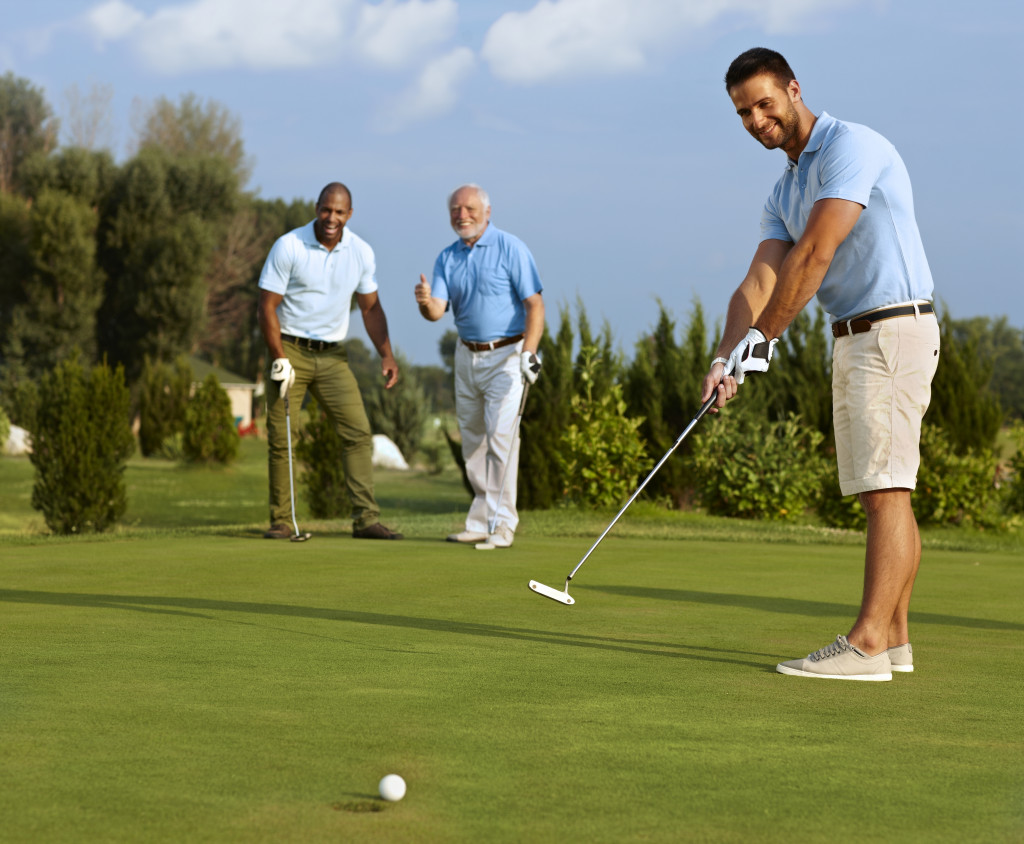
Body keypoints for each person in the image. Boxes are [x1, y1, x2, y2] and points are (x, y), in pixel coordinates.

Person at [703, 49, 939, 680]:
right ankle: (893, 639)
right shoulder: (785, 187)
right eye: (743, 112)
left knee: (886, 489)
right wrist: (727, 353)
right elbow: (759, 280)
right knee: (885, 491)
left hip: (891, 328)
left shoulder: (849, 146)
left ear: (793, 89)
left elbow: (816, 250)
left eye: (763, 103)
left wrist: (766, 339)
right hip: (858, 337)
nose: (756, 119)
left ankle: (865, 645)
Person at [257, 181, 403, 540]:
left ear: (349, 215)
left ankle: (366, 519)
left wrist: (386, 354)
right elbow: (266, 306)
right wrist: (278, 358)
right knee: (282, 436)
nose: (331, 217)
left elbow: (370, 309)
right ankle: (281, 520)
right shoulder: (289, 245)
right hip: (289, 350)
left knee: (357, 431)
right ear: (317, 207)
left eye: (339, 212)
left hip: (334, 356)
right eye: (326, 209)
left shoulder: (361, 252)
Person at [415, 184, 545, 548]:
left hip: (508, 355)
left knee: (501, 437)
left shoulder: (511, 247)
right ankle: (480, 519)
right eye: (455, 209)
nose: (462, 215)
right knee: (472, 438)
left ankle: (503, 525)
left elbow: (535, 305)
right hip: (465, 355)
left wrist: (529, 353)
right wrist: (425, 302)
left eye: (469, 208)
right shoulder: (447, 257)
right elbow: (436, 312)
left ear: (487, 212)